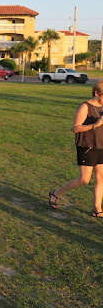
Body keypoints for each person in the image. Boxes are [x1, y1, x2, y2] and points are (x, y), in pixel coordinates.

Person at [49, 80, 103, 216]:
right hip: (87, 145)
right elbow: (76, 128)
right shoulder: (85, 107)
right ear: (96, 93)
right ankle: (56, 194)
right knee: (84, 180)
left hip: (101, 145)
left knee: (101, 177)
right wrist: (94, 125)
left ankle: (97, 209)